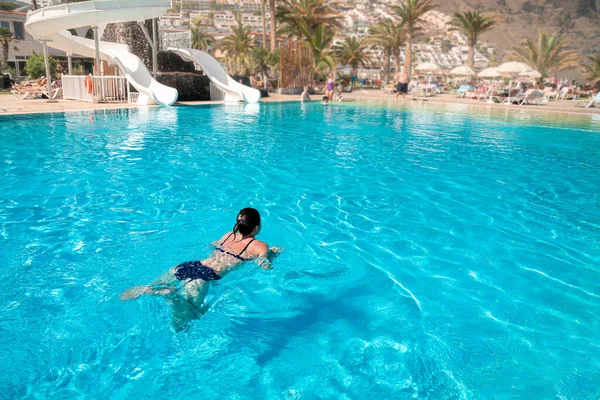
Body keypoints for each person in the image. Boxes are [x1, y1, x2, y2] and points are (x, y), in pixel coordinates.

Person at [121, 208, 282, 330]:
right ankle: (170, 296)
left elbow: (213, 245)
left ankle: (147, 289)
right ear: (256, 227)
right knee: (189, 317)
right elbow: (265, 267)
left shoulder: (227, 235)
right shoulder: (260, 245)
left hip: (189, 265)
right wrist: (272, 254)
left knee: (157, 285)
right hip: (205, 275)